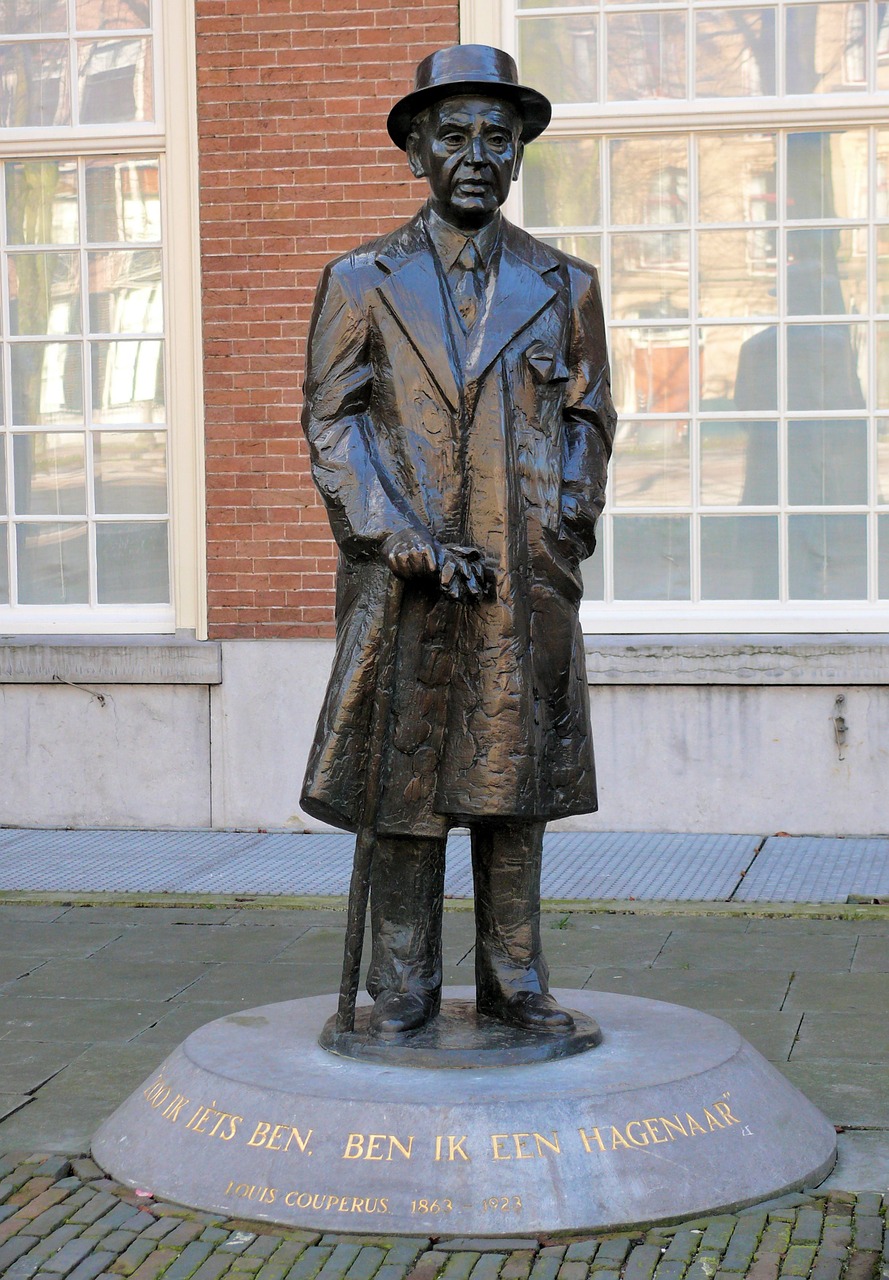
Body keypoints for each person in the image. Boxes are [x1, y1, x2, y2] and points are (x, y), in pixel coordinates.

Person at [300, 45, 616, 1037]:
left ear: (518, 154)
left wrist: (566, 515)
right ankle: (400, 982)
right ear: (414, 153)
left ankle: (514, 978)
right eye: (453, 134)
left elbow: (589, 414)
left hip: (522, 577)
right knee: (404, 782)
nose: (475, 153)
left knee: (511, 780)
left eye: (496, 136)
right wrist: (396, 536)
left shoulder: (564, 283)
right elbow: (334, 423)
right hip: (410, 579)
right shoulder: (360, 280)